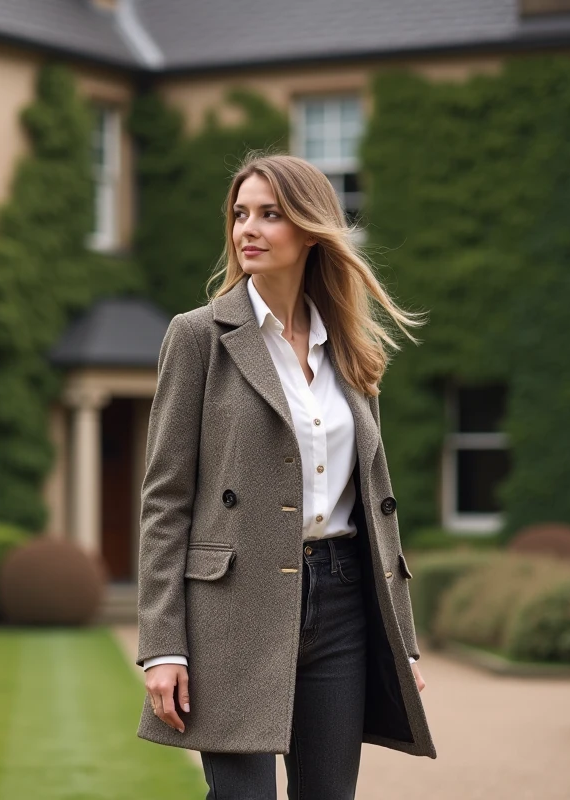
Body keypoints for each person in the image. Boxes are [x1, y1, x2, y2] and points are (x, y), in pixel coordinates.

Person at [134, 152, 438, 799]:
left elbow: (377, 502)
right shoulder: (198, 337)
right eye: (240, 214)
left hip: (343, 599)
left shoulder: (351, 346)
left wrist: (402, 641)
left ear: (310, 230)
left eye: (270, 214)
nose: (248, 228)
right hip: (232, 605)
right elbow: (165, 500)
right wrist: (163, 646)